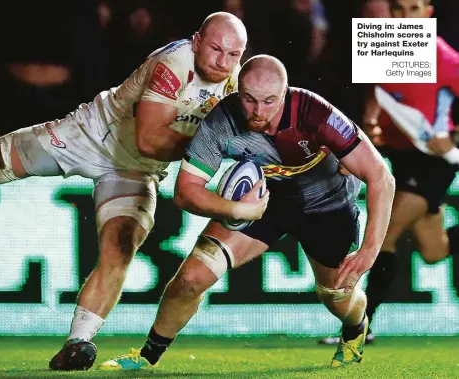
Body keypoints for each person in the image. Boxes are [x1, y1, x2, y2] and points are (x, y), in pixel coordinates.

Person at [0, 12, 247, 371]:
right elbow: (147, 140)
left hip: (136, 171)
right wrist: (215, 146)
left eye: (233, 55)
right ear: (196, 41)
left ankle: (78, 342)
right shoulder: (174, 62)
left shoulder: (236, 86)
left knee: (121, 248)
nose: (222, 62)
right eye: (215, 49)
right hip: (88, 136)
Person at [98, 55, 395, 370]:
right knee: (190, 277)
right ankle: (146, 357)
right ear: (238, 90)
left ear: (285, 93)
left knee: (336, 296)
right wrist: (237, 208)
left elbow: (381, 177)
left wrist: (370, 249)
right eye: (250, 100)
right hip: (268, 201)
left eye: (269, 101)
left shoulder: (314, 112)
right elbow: (185, 192)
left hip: (328, 207)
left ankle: (355, 327)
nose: (258, 111)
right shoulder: (222, 120)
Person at [321, 0, 459, 346]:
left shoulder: (443, 58)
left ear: (428, 13)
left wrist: (454, 137)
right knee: (434, 250)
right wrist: (372, 124)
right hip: (402, 158)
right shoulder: (387, 47)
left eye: (412, 9)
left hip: (433, 162)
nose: (402, 17)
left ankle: (361, 326)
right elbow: (376, 97)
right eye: (397, 10)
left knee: (388, 230)